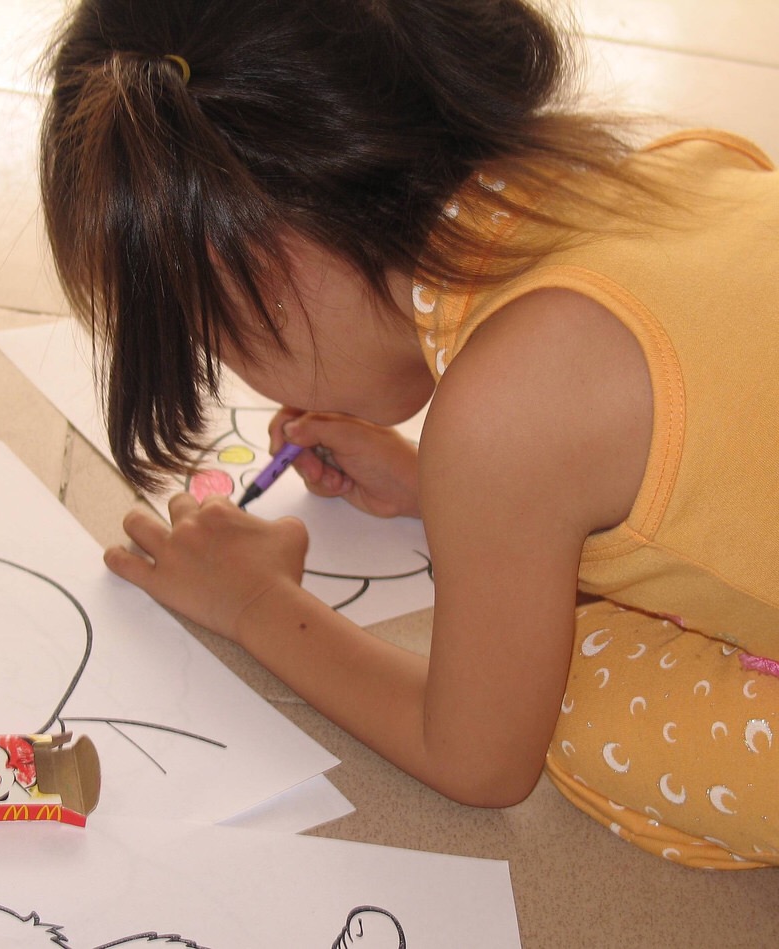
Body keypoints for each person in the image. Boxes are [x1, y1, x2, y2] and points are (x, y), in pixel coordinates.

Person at [39, 0, 779, 868]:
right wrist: (443, 488)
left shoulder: (509, 409)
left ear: (268, 265)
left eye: (216, 340)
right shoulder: (655, 164)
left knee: (585, 698)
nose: (236, 370)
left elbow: (477, 758)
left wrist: (256, 602)